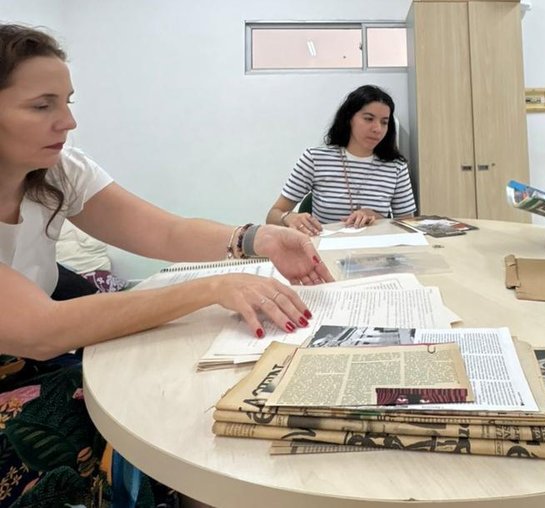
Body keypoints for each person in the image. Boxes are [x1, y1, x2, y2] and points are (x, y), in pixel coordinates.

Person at [0, 24, 333, 507]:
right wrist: (209, 289)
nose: (68, 121)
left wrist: (255, 237)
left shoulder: (59, 171)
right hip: (27, 362)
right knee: (139, 424)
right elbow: (39, 329)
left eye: (68, 101)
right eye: (42, 105)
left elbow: (164, 232)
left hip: (40, 354)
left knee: (169, 392)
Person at [266, 85, 417, 234]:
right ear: (349, 118)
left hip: (375, 253)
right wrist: (287, 217)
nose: (377, 128)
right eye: (369, 119)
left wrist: (376, 217)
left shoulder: (396, 167)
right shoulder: (314, 159)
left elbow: (407, 225)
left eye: (384, 122)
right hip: (324, 252)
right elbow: (273, 215)